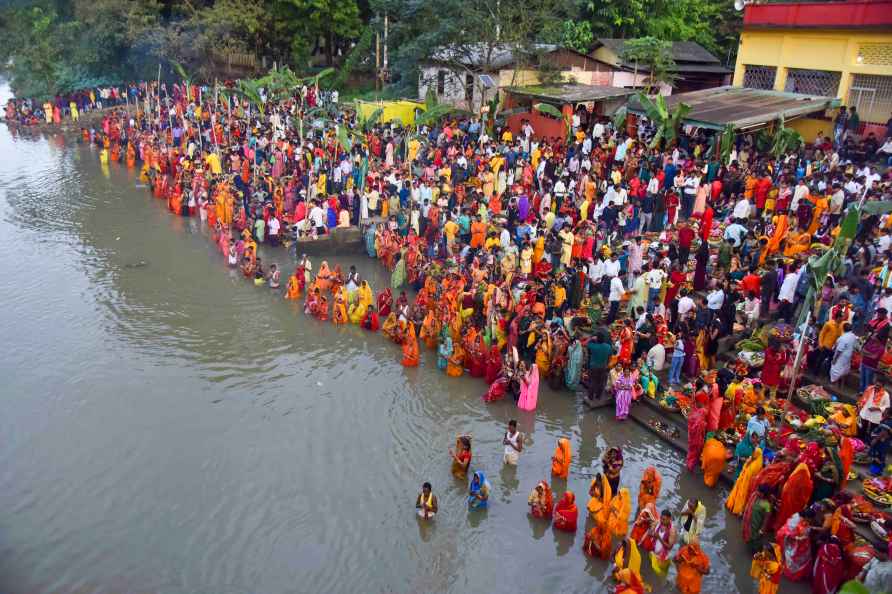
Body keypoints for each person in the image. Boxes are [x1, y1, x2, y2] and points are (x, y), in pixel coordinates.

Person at [726, 447, 763, 515]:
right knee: (737, 494)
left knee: (742, 497)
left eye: (754, 453)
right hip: (741, 481)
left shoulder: (756, 465)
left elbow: (750, 476)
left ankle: (737, 510)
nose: (753, 454)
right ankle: (733, 506)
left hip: (746, 485)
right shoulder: (752, 459)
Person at [584, 473, 613, 559]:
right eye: (597, 481)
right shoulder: (595, 483)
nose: (598, 482)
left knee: (601, 520)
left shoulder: (605, 489)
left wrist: (599, 498)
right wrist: (594, 492)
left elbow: (605, 500)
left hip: (601, 504)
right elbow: (590, 493)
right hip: (595, 501)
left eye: (599, 481)